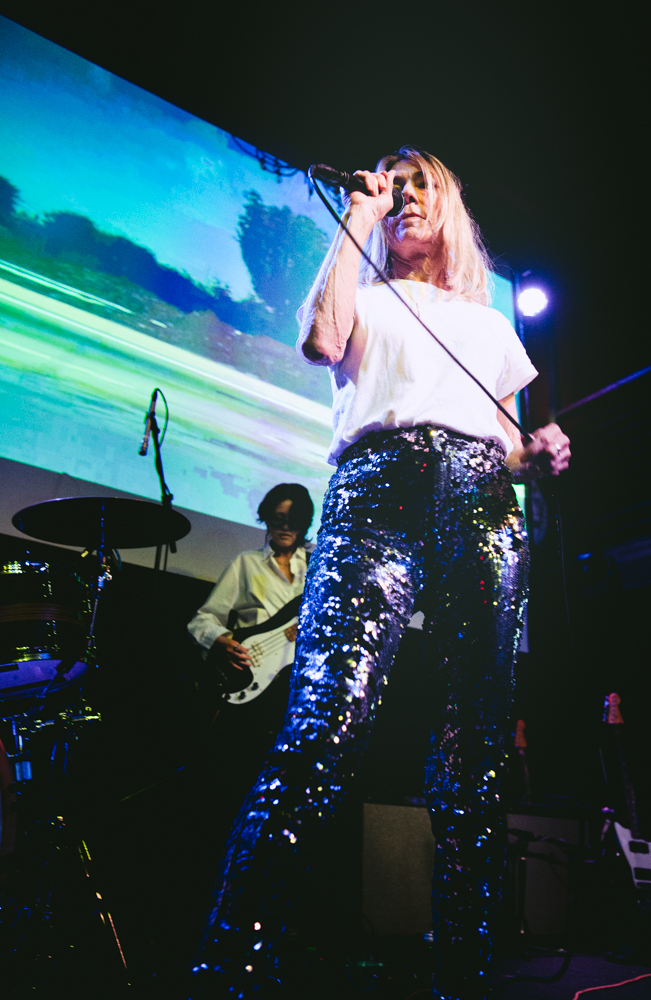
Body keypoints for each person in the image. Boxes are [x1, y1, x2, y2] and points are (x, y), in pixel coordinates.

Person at [190, 147, 571, 1000]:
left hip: (479, 505)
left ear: (449, 205)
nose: (402, 198)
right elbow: (321, 341)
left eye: (416, 185)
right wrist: (358, 214)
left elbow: (506, 443)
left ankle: (463, 977)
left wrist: (540, 451)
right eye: (389, 186)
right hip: (378, 495)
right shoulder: (363, 296)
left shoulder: (492, 327)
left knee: (472, 755)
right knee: (324, 727)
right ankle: (233, 972)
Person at [187, 483, 314, 879]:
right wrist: (221, 641)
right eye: (278, 519)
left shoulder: (318, 570)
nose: (285, 527)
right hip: (251, 690)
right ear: (265, 517)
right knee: (239, 786)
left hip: (297, 692)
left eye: (293, 521)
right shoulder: (246, 564)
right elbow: (202, 619)